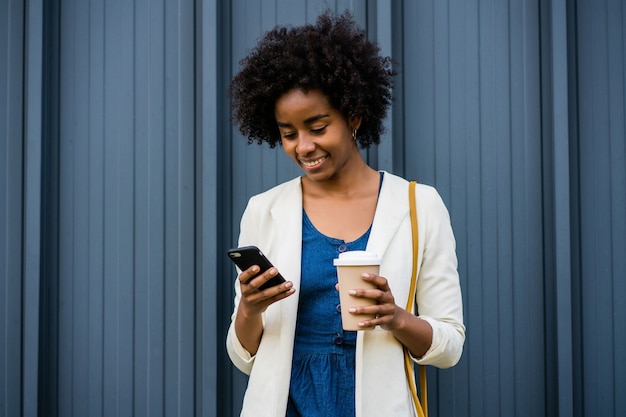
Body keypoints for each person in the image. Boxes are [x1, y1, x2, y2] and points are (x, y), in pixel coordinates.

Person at [226, 10, 465, 417]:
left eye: (318, 128)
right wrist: (249, 309)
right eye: (288, 134)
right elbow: (244, 357)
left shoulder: (419, 206)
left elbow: (449, 347)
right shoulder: (264, 211)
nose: (303, 147)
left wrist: (395, 318)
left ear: (353, 117)